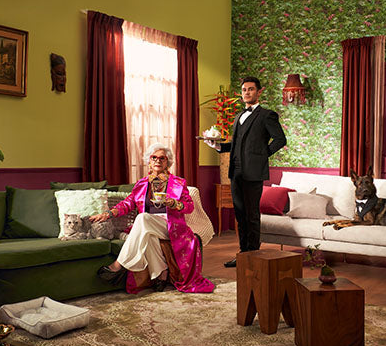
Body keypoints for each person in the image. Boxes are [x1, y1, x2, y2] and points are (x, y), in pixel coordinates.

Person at [92, 143, 214, 293]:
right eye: (154, 157)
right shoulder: (141, 184)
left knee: (143, 218)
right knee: (147, 233)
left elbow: (189, 207)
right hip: (149, 225)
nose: (157, 160)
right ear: (149, 161)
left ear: (168, 162)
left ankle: (119, 264)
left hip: (171, 227)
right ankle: (162, 274)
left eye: (162, 158)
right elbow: (127, 203)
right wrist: (108, 214)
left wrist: (174, 203)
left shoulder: (178, 183)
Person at [205, 76, 286, 267]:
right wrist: (218, 146)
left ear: (259, 92)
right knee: (240, 215)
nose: (247, 92)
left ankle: (253, 256)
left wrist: (261, 155)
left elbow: (280, 139)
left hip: (254, 172)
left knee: (252, 215)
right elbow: (236, 144)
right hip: (236, 172)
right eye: (244, 90)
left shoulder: (267, 115)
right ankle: (243, 254)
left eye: (251, 89)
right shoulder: (238, 116)